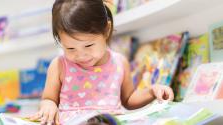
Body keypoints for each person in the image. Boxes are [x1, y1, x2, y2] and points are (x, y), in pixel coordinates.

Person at [29, 0, 174, 124]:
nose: (81, 55)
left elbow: (129, 99)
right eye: (70, 48)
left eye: (88, 45)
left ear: (106, 30)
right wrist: (48, 105)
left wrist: (152, 91)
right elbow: (48, 99)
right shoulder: (59, 65)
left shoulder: (119, 63)